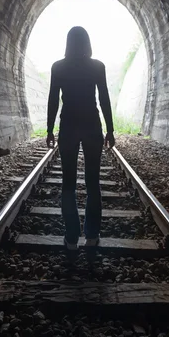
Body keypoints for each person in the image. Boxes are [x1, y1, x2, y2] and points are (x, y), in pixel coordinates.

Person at [46, 26, 115, 251]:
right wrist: (110, 130)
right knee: (93, 183)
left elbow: (53, 101)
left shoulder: (58, 67)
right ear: (87, 43)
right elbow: (104, 98)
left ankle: (72, 238)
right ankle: (92, 236)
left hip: (68, 126)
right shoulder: (97, 67)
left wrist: (49, 129)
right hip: (92, 126)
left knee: (68, 184)